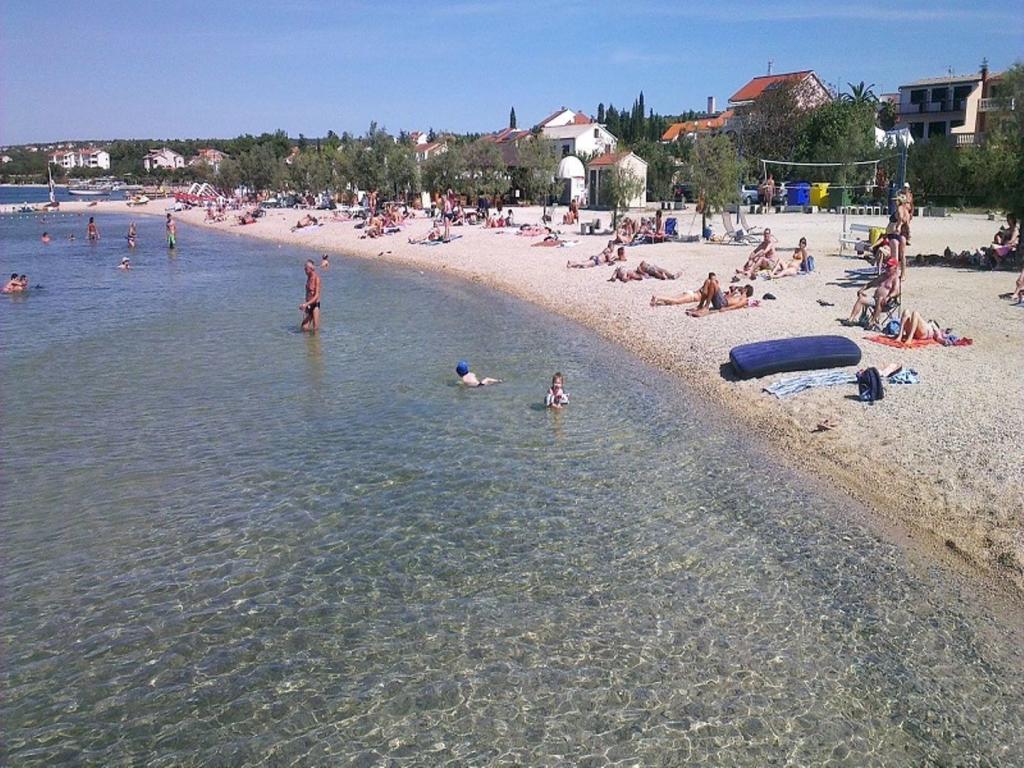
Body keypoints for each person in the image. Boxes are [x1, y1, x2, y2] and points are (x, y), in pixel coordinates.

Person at [843, 257, 901, 327]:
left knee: (880, 299)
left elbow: (896, 291)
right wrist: (862, 289)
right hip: (875, 299)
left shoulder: (896, 279)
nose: (887, 268)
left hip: (887, 302)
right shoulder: (883, 276)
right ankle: (850, 319)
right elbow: (871, 283)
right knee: (861, 299)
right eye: (887, 266)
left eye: (890, 266)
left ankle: (872, 322)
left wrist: (889, 297)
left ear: (895, 267)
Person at [686, 284, 754, 317]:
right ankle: (700, 307)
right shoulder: (738, 296)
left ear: (746, 290)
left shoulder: (744, 299)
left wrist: (726, 309)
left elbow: (737, 306)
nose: (741, 289)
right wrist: (733, 293)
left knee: (713, 283)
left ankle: (701, 309)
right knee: (710, 283)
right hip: (722, 301)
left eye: (743, 288)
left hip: (722, 303)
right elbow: (725, 297)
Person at [299, 259, 321, 332]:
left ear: (311, 269)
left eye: (306, 269)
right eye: (304, 269)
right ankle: (309, 339)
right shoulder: (308, 277)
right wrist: (305, 304)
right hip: (308, 305)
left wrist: (306, 304)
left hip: (315, 305)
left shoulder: (317, 279)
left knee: (315, 328)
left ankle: (316, 338)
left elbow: (316, 295)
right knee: (304, 327)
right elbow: (308, 292)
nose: (305, 271)